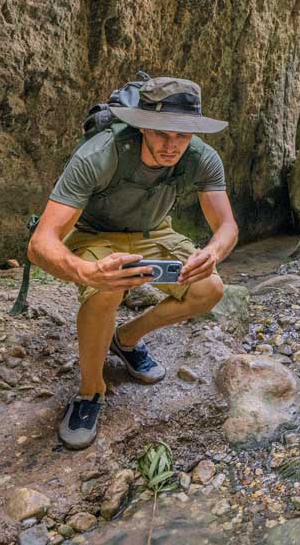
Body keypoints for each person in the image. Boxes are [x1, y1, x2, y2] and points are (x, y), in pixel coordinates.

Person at [28, 77, 239, 449]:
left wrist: (213, 253)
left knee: (210, 290)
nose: (173, 145)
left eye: (184, 134)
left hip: (155, 231)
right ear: (142, 124)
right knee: (103, 293)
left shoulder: (201, 157)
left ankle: (125, 339)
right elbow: (40, 243)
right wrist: (88, 272)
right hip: (94, 234)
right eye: (162, 133)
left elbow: (226, 225)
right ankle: (91, 391)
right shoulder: (100, 154)